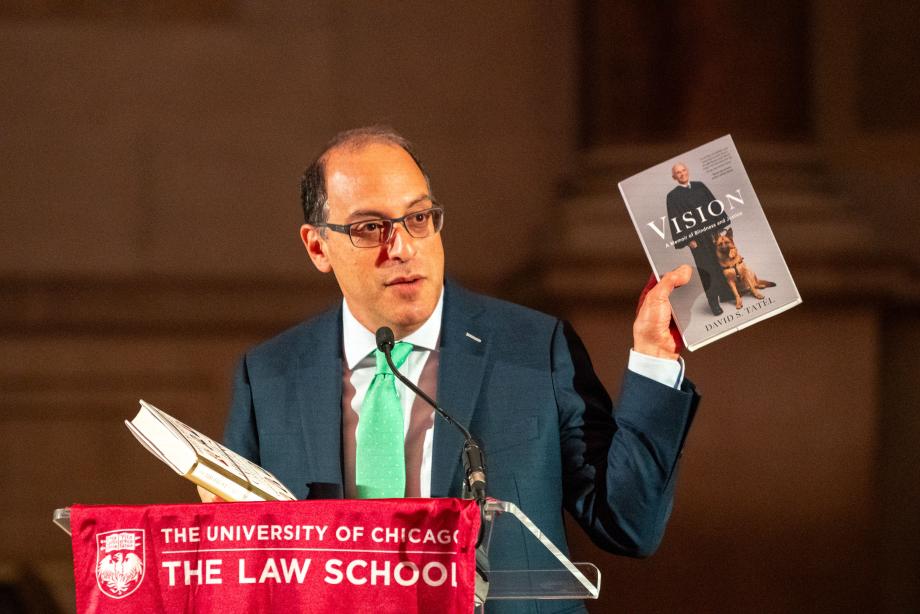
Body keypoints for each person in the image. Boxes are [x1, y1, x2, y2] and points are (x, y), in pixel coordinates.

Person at [205, 127, 700, 613]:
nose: (401, 247)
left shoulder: (534, 350)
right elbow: (243, 574)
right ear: (318, 247)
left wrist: (654, 360)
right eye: (370, 228)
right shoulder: (269, 376)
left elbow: (629, 524)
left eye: (418, 217)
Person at [666, 162, 732, 315]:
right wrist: (688, 240)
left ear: (687, 171)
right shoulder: (672, 196)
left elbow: (713, 204)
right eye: (678, 172)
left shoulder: (700, 186)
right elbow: (674, 219)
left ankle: (727, 293)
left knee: (721, 263)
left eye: (684, 170)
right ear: (674, 177)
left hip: (712, 234)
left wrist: (721, 225)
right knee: (706, 269)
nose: (682, 174)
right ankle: (713, 302)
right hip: (697, 240)